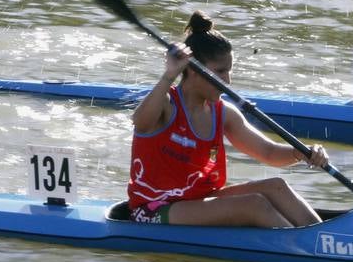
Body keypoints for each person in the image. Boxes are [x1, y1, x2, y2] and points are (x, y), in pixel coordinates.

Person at [127, 12, 329, 228]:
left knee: (276, 186)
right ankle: (307, 253)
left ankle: (326, 240)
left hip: (200, 200)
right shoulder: (166, 104)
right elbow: (140, 123)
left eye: (229, 71)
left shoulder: (224, 114)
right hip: (153, 209)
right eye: (220, 71)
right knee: (253, 205)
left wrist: (303, 153)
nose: (228, 80)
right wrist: (169, 75)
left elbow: (268, 153)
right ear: (194, 70)